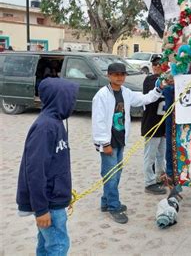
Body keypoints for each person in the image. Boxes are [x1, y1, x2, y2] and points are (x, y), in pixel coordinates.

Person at [92, 62, 164, 224]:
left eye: (122, 74)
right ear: (109, 75)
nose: (120, 77)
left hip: (120, 140)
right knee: (110, 175)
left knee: (116, 173)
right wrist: (104, 143)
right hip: (108, 142)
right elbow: (98, 121)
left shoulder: (126, 92)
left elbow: (144, 99)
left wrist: (158, 89)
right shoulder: (102, 95)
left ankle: (106, 201)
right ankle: (113, 206)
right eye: (116, 74)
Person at [16, 78, 79, 255]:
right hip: (49, 202)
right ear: (59, 99)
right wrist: (41, 209)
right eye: (70, 98)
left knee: (45, 244)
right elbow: (34, 171)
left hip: (55, 197)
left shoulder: (57, 122)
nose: (72, 103)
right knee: (58, 245)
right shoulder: (45, 127)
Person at [141, 58, 167, 195]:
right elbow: (156, 87)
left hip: (163, 125)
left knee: (161, 155)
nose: (157, 66)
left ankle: (159, 176)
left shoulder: (169, 79)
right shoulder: (150, 80)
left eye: (160, 64)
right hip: (152, 124)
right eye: (154, 64)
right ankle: (149, 182)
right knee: (149, 155)